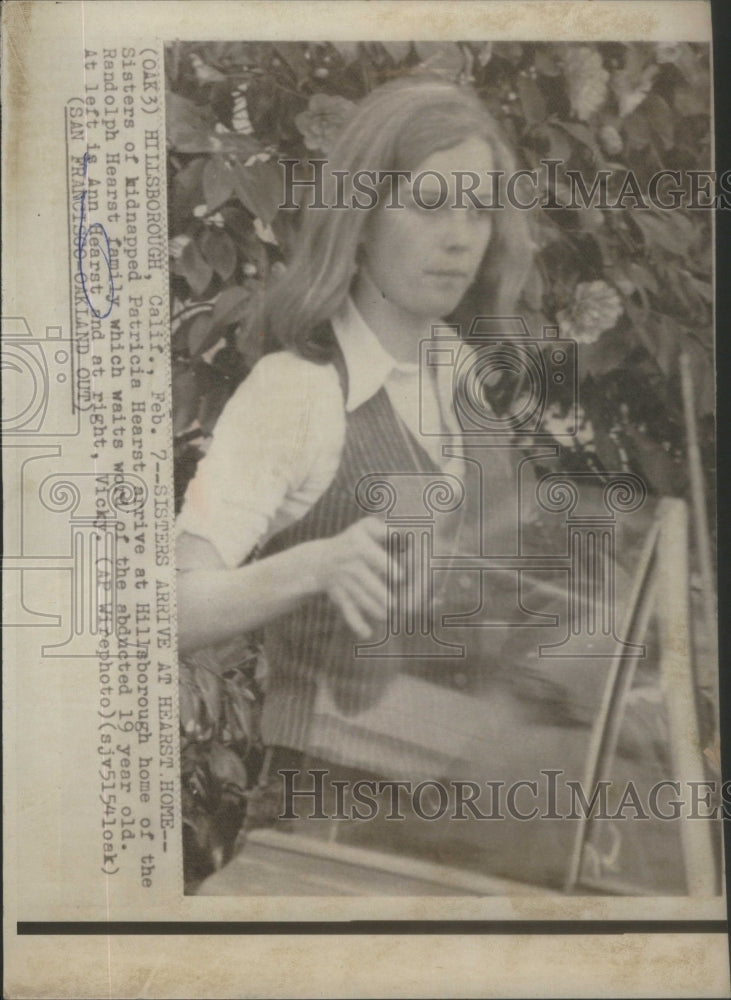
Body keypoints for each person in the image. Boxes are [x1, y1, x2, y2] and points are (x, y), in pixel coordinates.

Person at [175, 74, 535, 839]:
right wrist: (314, 567)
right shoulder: (296, 392)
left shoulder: (469, 384)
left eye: (478, 209)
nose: (460, 236)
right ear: (362, 218)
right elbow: (165, 610)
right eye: (430, 203)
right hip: (325, 832)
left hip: (469, 832)